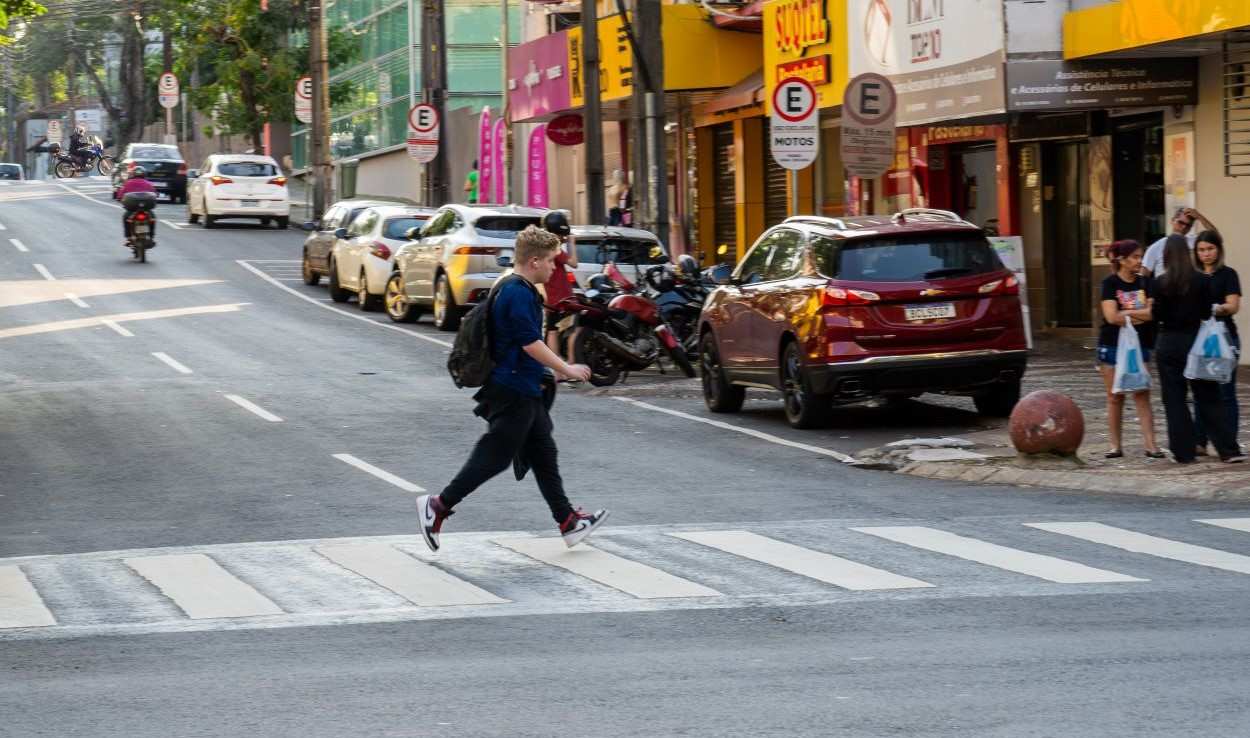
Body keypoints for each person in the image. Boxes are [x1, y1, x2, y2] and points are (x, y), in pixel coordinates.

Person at [416, 226, 607, 553]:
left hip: (523, 385)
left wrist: (549, 373)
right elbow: (529, 342)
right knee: (495, 456)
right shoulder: (518, 291)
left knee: (544, 452)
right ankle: (438, 505)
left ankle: (567, 521)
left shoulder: (509, 284)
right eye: (550, 261)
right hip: (512, 388)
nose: (553, 267)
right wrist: (567, 368)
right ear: (534, 260)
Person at [1151, 234, 1245, 464]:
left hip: (1168, 343)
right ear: (1188, 253)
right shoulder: (1201, 281)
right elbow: (1206, 312)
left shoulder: (1160, 282)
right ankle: (1228, 450)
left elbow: (1156, 315)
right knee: (1209, 396)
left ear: (1166, 256)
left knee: (1174, 400)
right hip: (1195, 342)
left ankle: (1183, 452)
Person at [1096, 240, 1163, 459]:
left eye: (1140, 256)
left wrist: (1124, 313)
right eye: (1134, 257)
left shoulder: (1146, 283)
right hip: (1112, 344)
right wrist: (1135, 314)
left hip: (1139, 344)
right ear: (1122, 260)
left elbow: (1151, 314)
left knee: (1142, 393)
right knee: (1115, 396)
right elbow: (1110, 317)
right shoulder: (1110, 283)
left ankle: (1151, 445)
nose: (1139, 261)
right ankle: (1115, 446)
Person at [1192, 230, 1243, 456]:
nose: (1206, 254)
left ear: (1218, 250)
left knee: (1225, 392)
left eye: (1210, 249)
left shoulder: (1228, 274)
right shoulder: (1193, 276)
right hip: (1199, 339)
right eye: (1201, 250)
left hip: (1224, 337)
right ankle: (1199, 441)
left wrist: (1216, 308)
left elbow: (1233, 305)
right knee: (1202, 390)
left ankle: (1228, 442)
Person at [541, 211, 580, 360]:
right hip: (564, 297)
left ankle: (556, 370)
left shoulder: (544, 246)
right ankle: (570, 364)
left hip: (550, 297)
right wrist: (571, 244)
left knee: (552, 331)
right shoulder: (555, 249)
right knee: (572, 330)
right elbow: (574, 263)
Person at [1141, 207, 1219, 277]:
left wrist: (1199, 216)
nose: (1184, 227)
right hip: (1165, 290)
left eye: (1188, 225)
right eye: (1181, 222)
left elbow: (1214, 236)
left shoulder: (1193, 241)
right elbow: (1144, 275)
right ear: (1172, 221)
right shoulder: (1156, 247)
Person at [116, 166, 156, 244]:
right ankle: (151, 237)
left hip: (132, 208)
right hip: (146, 207)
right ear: (144, 175)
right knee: (152, 218)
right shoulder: (149, 183)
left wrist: (119, 198)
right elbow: (155, 194)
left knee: (126, 218)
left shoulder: (128, 183)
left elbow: (120, 195)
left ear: (133, 174)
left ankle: (129, 237)